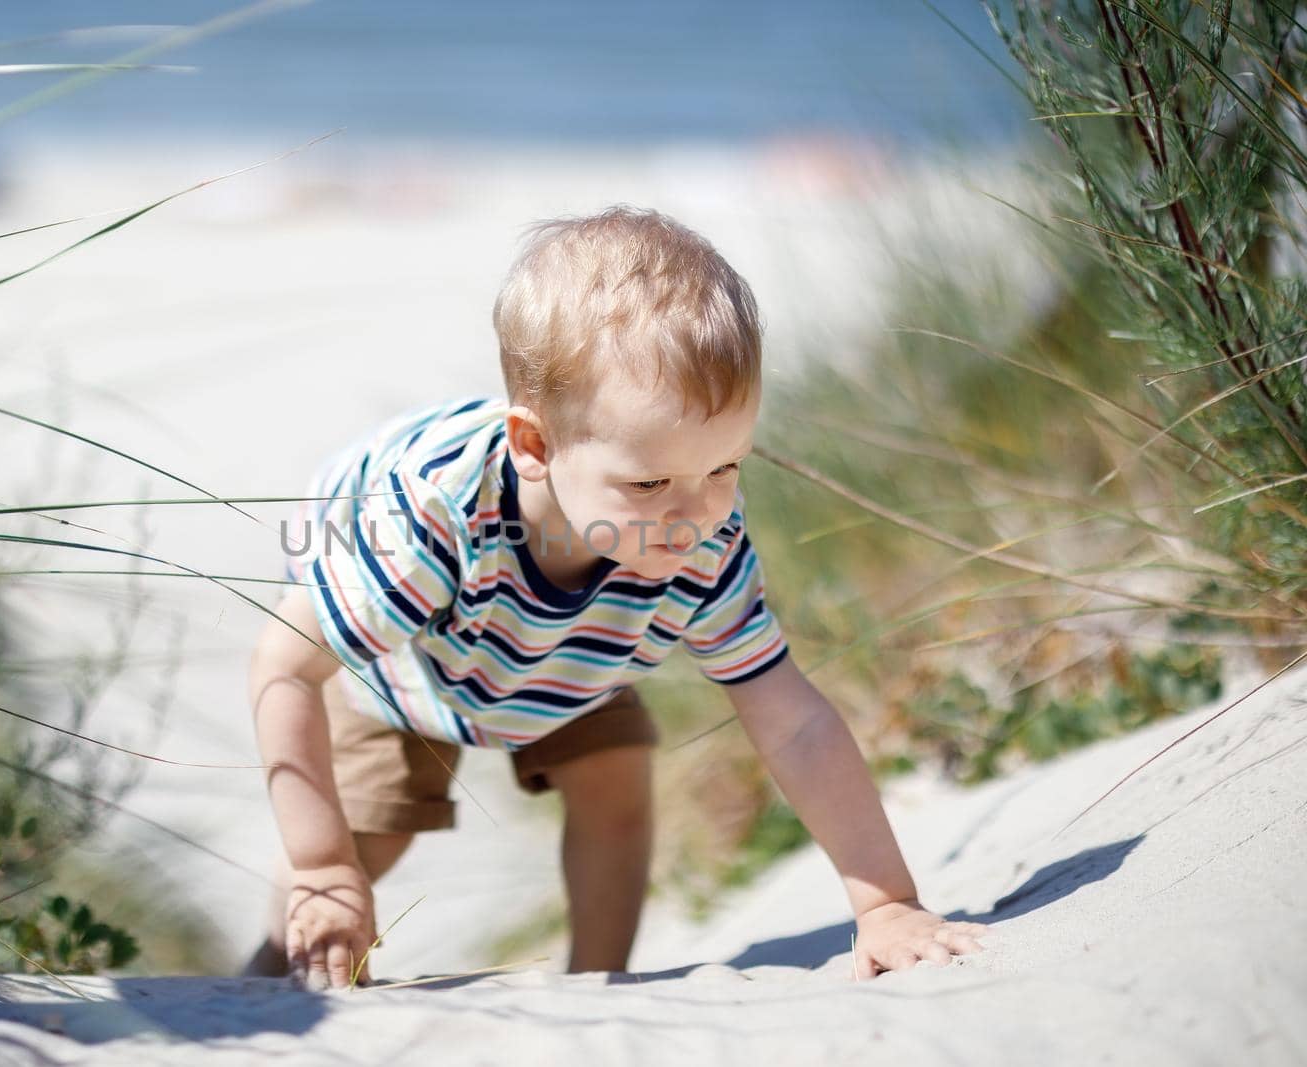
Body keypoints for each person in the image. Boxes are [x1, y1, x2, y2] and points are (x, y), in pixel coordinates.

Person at [244, 206, 985, 990]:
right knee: (369, 835)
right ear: (535, 447)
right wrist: (321, 864)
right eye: (649, 481)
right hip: (406, 646)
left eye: (727, 466)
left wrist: (886, 903)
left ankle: (593, 991)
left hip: (569, 646)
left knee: (616, 784)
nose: (697, 511)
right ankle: (265, 976)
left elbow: (792, 719)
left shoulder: (696, 535)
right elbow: (282, 669)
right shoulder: (429, 521)